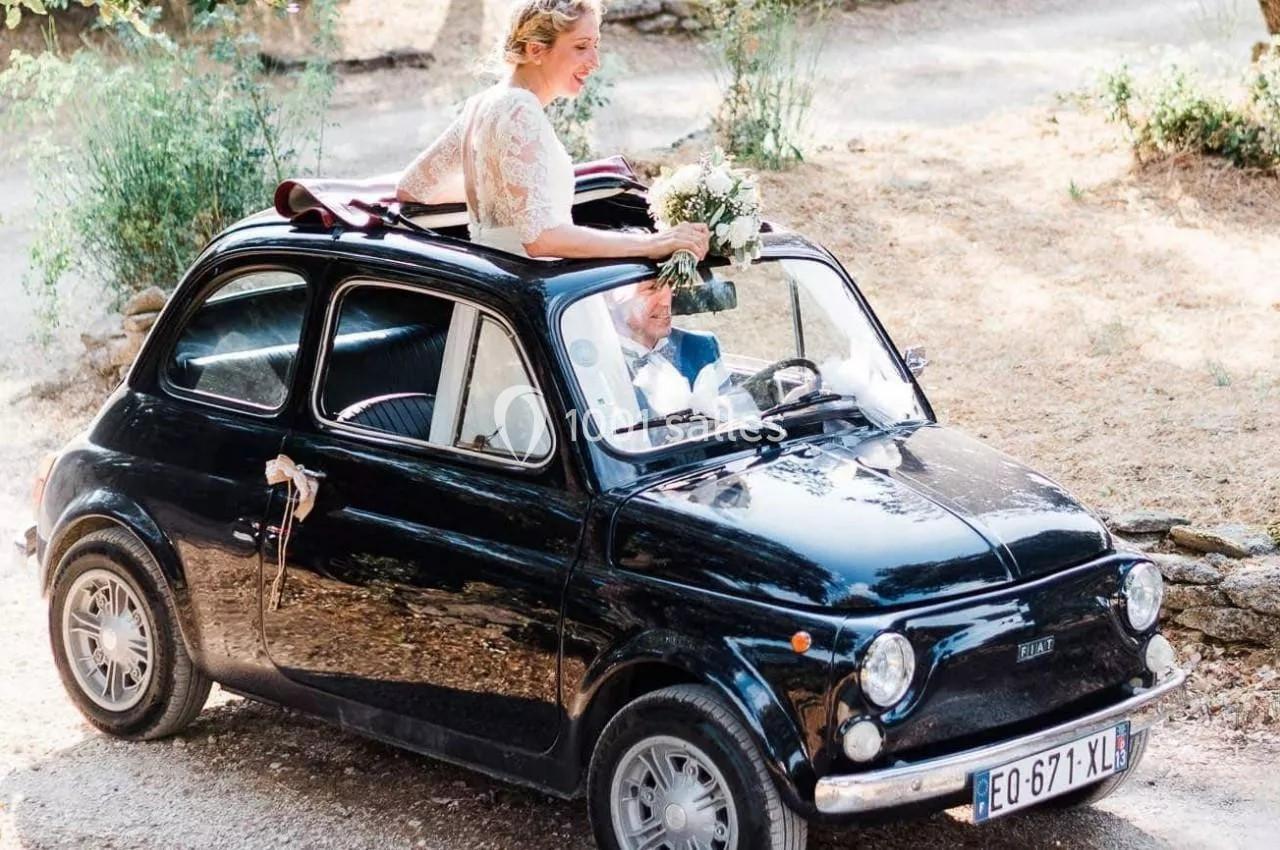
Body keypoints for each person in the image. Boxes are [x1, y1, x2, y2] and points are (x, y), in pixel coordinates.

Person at [395, 0, 710, 263]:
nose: (595, 61)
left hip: (495, 285)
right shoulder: (518, 111)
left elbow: (413, 188)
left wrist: (505, 193)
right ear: (535, 50)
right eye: (581, 47)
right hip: (531, 289)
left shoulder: (483, 104)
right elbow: (542, 239)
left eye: (596, 46)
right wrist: (653, 244)